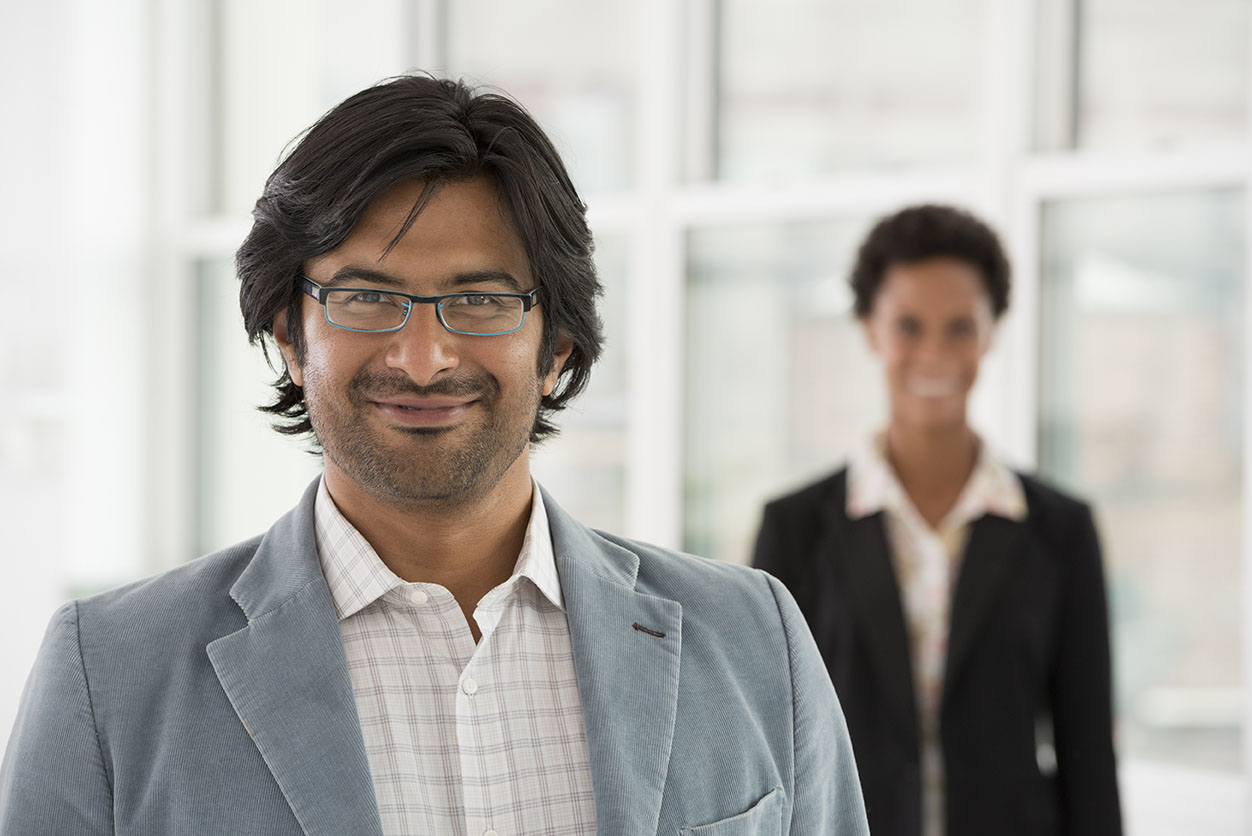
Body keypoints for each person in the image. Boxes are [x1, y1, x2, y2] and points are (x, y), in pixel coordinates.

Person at [0, 76, 868, 836]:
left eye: (481, 300)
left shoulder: (754, 641)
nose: (422, 359)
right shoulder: (110, 676)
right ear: (289, 339)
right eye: (367, 298)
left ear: (557, 342)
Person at [752, 205, 1122, 836]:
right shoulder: (796, 530)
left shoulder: (1060, 531)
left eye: (960, 327)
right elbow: (759, 743)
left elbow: (1088, 754)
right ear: (870, 329)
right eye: (909, 326)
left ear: (992, 332)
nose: (934, 353)